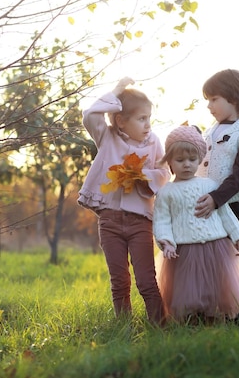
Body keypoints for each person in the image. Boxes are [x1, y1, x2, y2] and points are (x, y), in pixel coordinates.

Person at [78, 77, 170, 325]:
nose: (148, 125)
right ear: (120, 120)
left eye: (149, 118)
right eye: (141, 119)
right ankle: (123, 327)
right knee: (119, 280)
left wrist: (143, 176)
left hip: (140, 222)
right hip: (110, 221)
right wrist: (116, 92)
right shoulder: (107, 137)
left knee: (146, 280)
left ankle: (159, 326)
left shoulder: (154, 143)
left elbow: (164, 173)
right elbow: (89, 114)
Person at [153, 125, 239, 324]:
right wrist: (166, 242)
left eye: (192, 160)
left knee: (217, 287)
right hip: (184, 251)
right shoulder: (166, 192)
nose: (187, 164)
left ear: (200, 158)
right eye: (180, 160)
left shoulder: (209, 185)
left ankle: (215, 320)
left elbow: (226, 214)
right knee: (189, 289)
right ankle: (192, 322)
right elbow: (161, 221)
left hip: (216, 248)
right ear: (169, 161)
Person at [194, 69, 239, 227]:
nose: (208, 105)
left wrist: (216, 198)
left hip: (227, 209)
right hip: (199, 208)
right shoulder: (209, 131)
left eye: (214, 99)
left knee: (223, 251)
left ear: (234, 98)